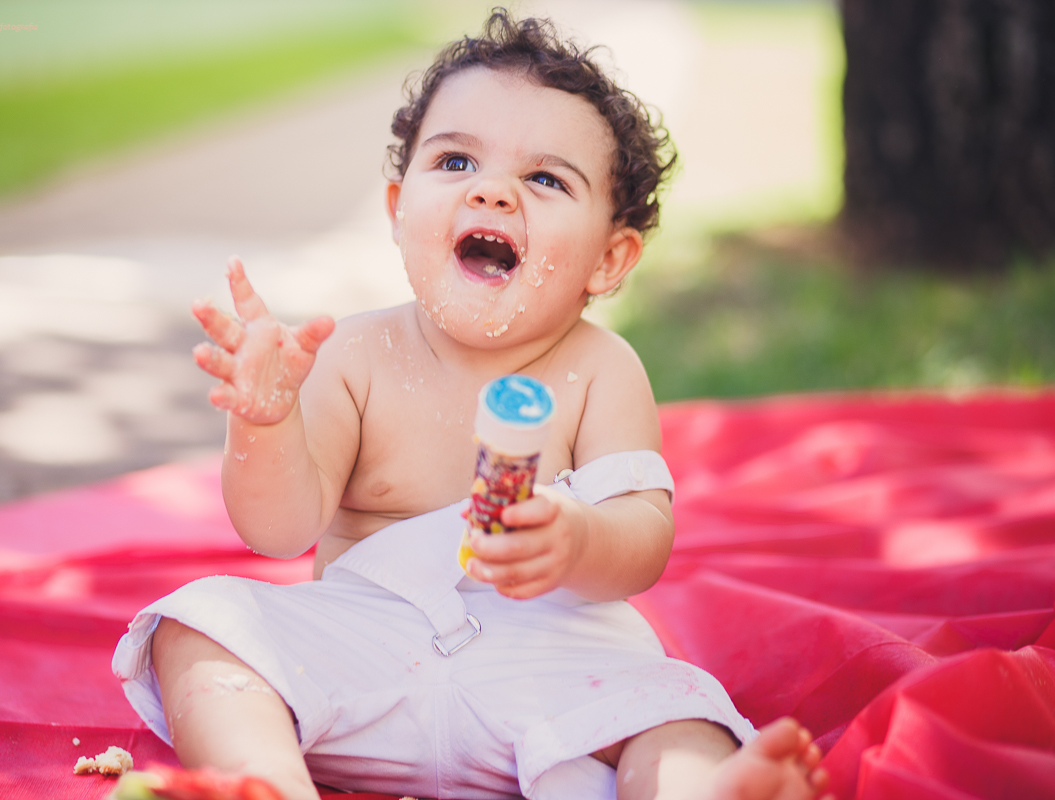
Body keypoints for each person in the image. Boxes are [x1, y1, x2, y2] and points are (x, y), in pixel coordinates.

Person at [113, 10, 832, 800]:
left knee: (677, 708)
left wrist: (581, 537)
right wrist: (264, 422)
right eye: (456, 161)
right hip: (369, 657)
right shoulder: (357, 356)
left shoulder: (600, 370)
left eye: (545, 179)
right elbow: (276, 529)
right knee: (198, 627)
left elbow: (645, 539)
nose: (492, 191)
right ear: (396, 208)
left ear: (609, 258)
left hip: (555, 666)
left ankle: (699, 792)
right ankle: (266, 781)